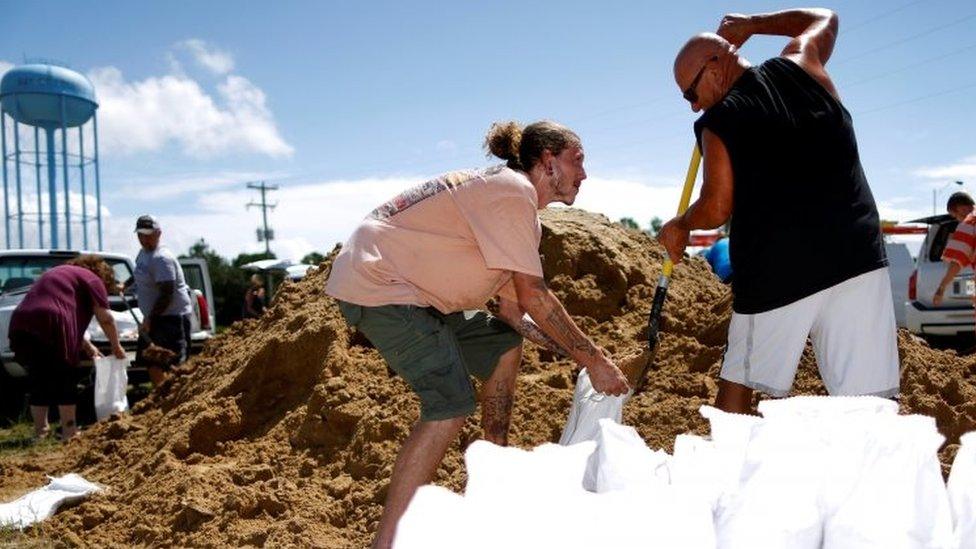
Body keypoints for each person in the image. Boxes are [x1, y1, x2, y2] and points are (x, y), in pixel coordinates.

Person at [326, 120, 629, 548]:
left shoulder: (518, 212)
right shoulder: (512, 193)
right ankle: (387, 543)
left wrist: (570, 354)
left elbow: (512, 313)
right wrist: (594, 360)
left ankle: (493, 473)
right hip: (381, 286)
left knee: (503, 345)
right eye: (577, 160)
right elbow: (536, 296)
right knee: (450, 404)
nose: (585, 173)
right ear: (548, 163)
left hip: (416, 294)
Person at [659, 8, 898, 413]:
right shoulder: (804, 64)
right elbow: (826, 18)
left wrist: (681, 224)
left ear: (716, 64)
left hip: (777, 272)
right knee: (869, 402)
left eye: (690, 93)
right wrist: (754, 25)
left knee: (742, 375)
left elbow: (717, 206)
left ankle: (725, 470)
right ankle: (874, 473)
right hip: (856, 258)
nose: (693, 107)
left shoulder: (720, 120)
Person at [9, 255, 127, 441]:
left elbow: (63, 307)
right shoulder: (92, 279)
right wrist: (116, 346)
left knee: (39, 377)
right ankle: (69, 431)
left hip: (23, 322)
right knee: (65, 376)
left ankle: (40, 432)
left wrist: (87, 345)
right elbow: (105, 318)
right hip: (53, 321)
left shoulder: (59, 272)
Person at [124, 215, 193, 386]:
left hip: (171, 318)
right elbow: (139, 273)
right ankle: (161, 398)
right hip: (155, 317)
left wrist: (149, 319)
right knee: (151, 360)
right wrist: (123, 285)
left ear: (158, 233)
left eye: (148, 235)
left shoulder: (162, 259)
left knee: (172, 363)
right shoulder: (143, 254)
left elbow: (166, 294)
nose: (144, 239)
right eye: (140, 235)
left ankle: (176, 400)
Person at [935, 191, 976, 306]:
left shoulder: (970, 223)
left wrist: (941, 288)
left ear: (961, 209)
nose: (958, 220)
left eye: (955, 216)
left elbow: (957, 262)